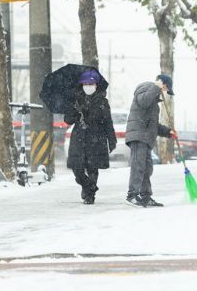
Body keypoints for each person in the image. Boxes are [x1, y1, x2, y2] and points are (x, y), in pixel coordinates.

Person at [63, 69, 116, 204]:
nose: (88, 86)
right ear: (81, 85)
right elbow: (67, 120)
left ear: (96, 85)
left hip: (96, 138)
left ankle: (89, 196)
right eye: (85, 83)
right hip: (79, 138)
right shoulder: (75, 100)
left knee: (93, 168)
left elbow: (108, 122)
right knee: (77, 169)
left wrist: (112, 139)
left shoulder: (102, 102)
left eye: (90, 84)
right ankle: (89, 187)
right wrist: (75, 112)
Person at [125, 74, 176, 207]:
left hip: (146, 138)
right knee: (138, 166)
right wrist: (155, 86)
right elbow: (143, 101)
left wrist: (168, 132)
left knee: (147, 168)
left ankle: (146, 197)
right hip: (138, 135)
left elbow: (154, 126)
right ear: (161, 83)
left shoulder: (154, 104)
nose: (164, 91)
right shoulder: (146, 88)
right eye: (165, 87)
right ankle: (132, 195)